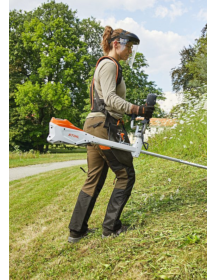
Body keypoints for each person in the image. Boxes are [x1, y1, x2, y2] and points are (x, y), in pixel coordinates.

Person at [68, 26, 156, 243]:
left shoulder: (105, 66)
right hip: (105, 126)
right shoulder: (109, 65)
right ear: (116, 44)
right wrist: (138, 109)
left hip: (94, 123)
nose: (130, 52)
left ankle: (76, 231)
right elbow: (110, 99)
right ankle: (110, 228)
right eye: (129, 47)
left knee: (94, 179)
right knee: (126, 175)